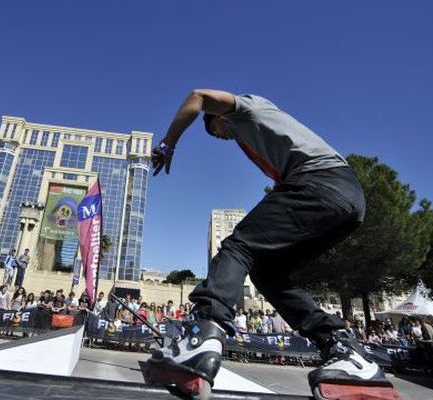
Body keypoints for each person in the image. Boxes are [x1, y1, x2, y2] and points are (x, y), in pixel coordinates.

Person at [149, 89, 388, 392]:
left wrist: (168, 143)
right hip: (348, 201)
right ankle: (343, 350)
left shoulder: (245, 109)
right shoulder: (264, 134)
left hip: (319, 180)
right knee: (267, 273)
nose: (222, 138)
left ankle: (203, 331)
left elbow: (197, 96)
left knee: (238, 246)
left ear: (220, 116)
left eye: (217, 131)